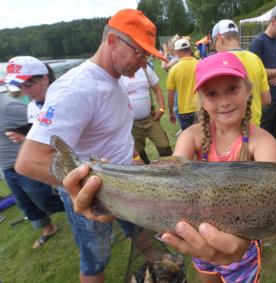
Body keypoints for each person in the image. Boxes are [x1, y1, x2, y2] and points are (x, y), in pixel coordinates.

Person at [61, 52, 276, 283]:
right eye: (212, 93)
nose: (224, 101)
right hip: (196, 239)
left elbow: (268, 200)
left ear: (248, 89)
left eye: (232, 89)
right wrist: (112, 192)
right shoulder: (191, 136)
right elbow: (168, 179)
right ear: (202, 101)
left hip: (242, 248)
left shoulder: (263, 142)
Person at [14, 9, 166, 283]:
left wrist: (134, 160)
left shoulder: (116, 81)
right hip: (90, 195)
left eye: (148, 56)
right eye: (140, 54)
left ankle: (159, 266)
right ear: (112, 42)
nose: (144, 64)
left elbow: (115, 134)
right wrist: (91, 187)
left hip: (129, 186)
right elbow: (30, 161)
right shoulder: (76, 88)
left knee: (143, 234)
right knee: (94, 260)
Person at [0, 56, 64, 249]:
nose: (25, 91)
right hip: (51, 165)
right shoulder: (30, 106)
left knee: (49, 200)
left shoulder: (63, 99)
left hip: (70, 162)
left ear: (45, 78)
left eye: (30, 84)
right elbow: (40, 133)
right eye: (20, 86)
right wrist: (26, 138)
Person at [211, 19, 271, 126]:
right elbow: (267, 99)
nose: (214, 48)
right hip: (254, 126)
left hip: (229, 128)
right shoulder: (256, 59)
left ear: (219, 38)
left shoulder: (217, 61)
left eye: (214, 43)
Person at [249, 5, 276, 138]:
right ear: (273, 21)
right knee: (261, 136)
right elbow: (255, 72)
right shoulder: (258, 42)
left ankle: (271, 158)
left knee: (273, 135)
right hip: (264, 99)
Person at [120, 66, 172, 164]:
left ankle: (169, 170)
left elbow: (157, 89)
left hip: (151, 119)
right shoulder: (119, 73)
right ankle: (146, 169)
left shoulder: (145, 69)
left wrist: (161, 109)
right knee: (138, 151)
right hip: (132, 124)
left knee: (164, 146)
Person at [167, 38, 199, 130]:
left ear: (177, 52)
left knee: (189, 140)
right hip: (201, 109)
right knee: (204, 138)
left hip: (184, 111)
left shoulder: (173, 69)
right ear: (190, 49)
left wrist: (170, 113)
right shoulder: (200, 64)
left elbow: (170, 95)